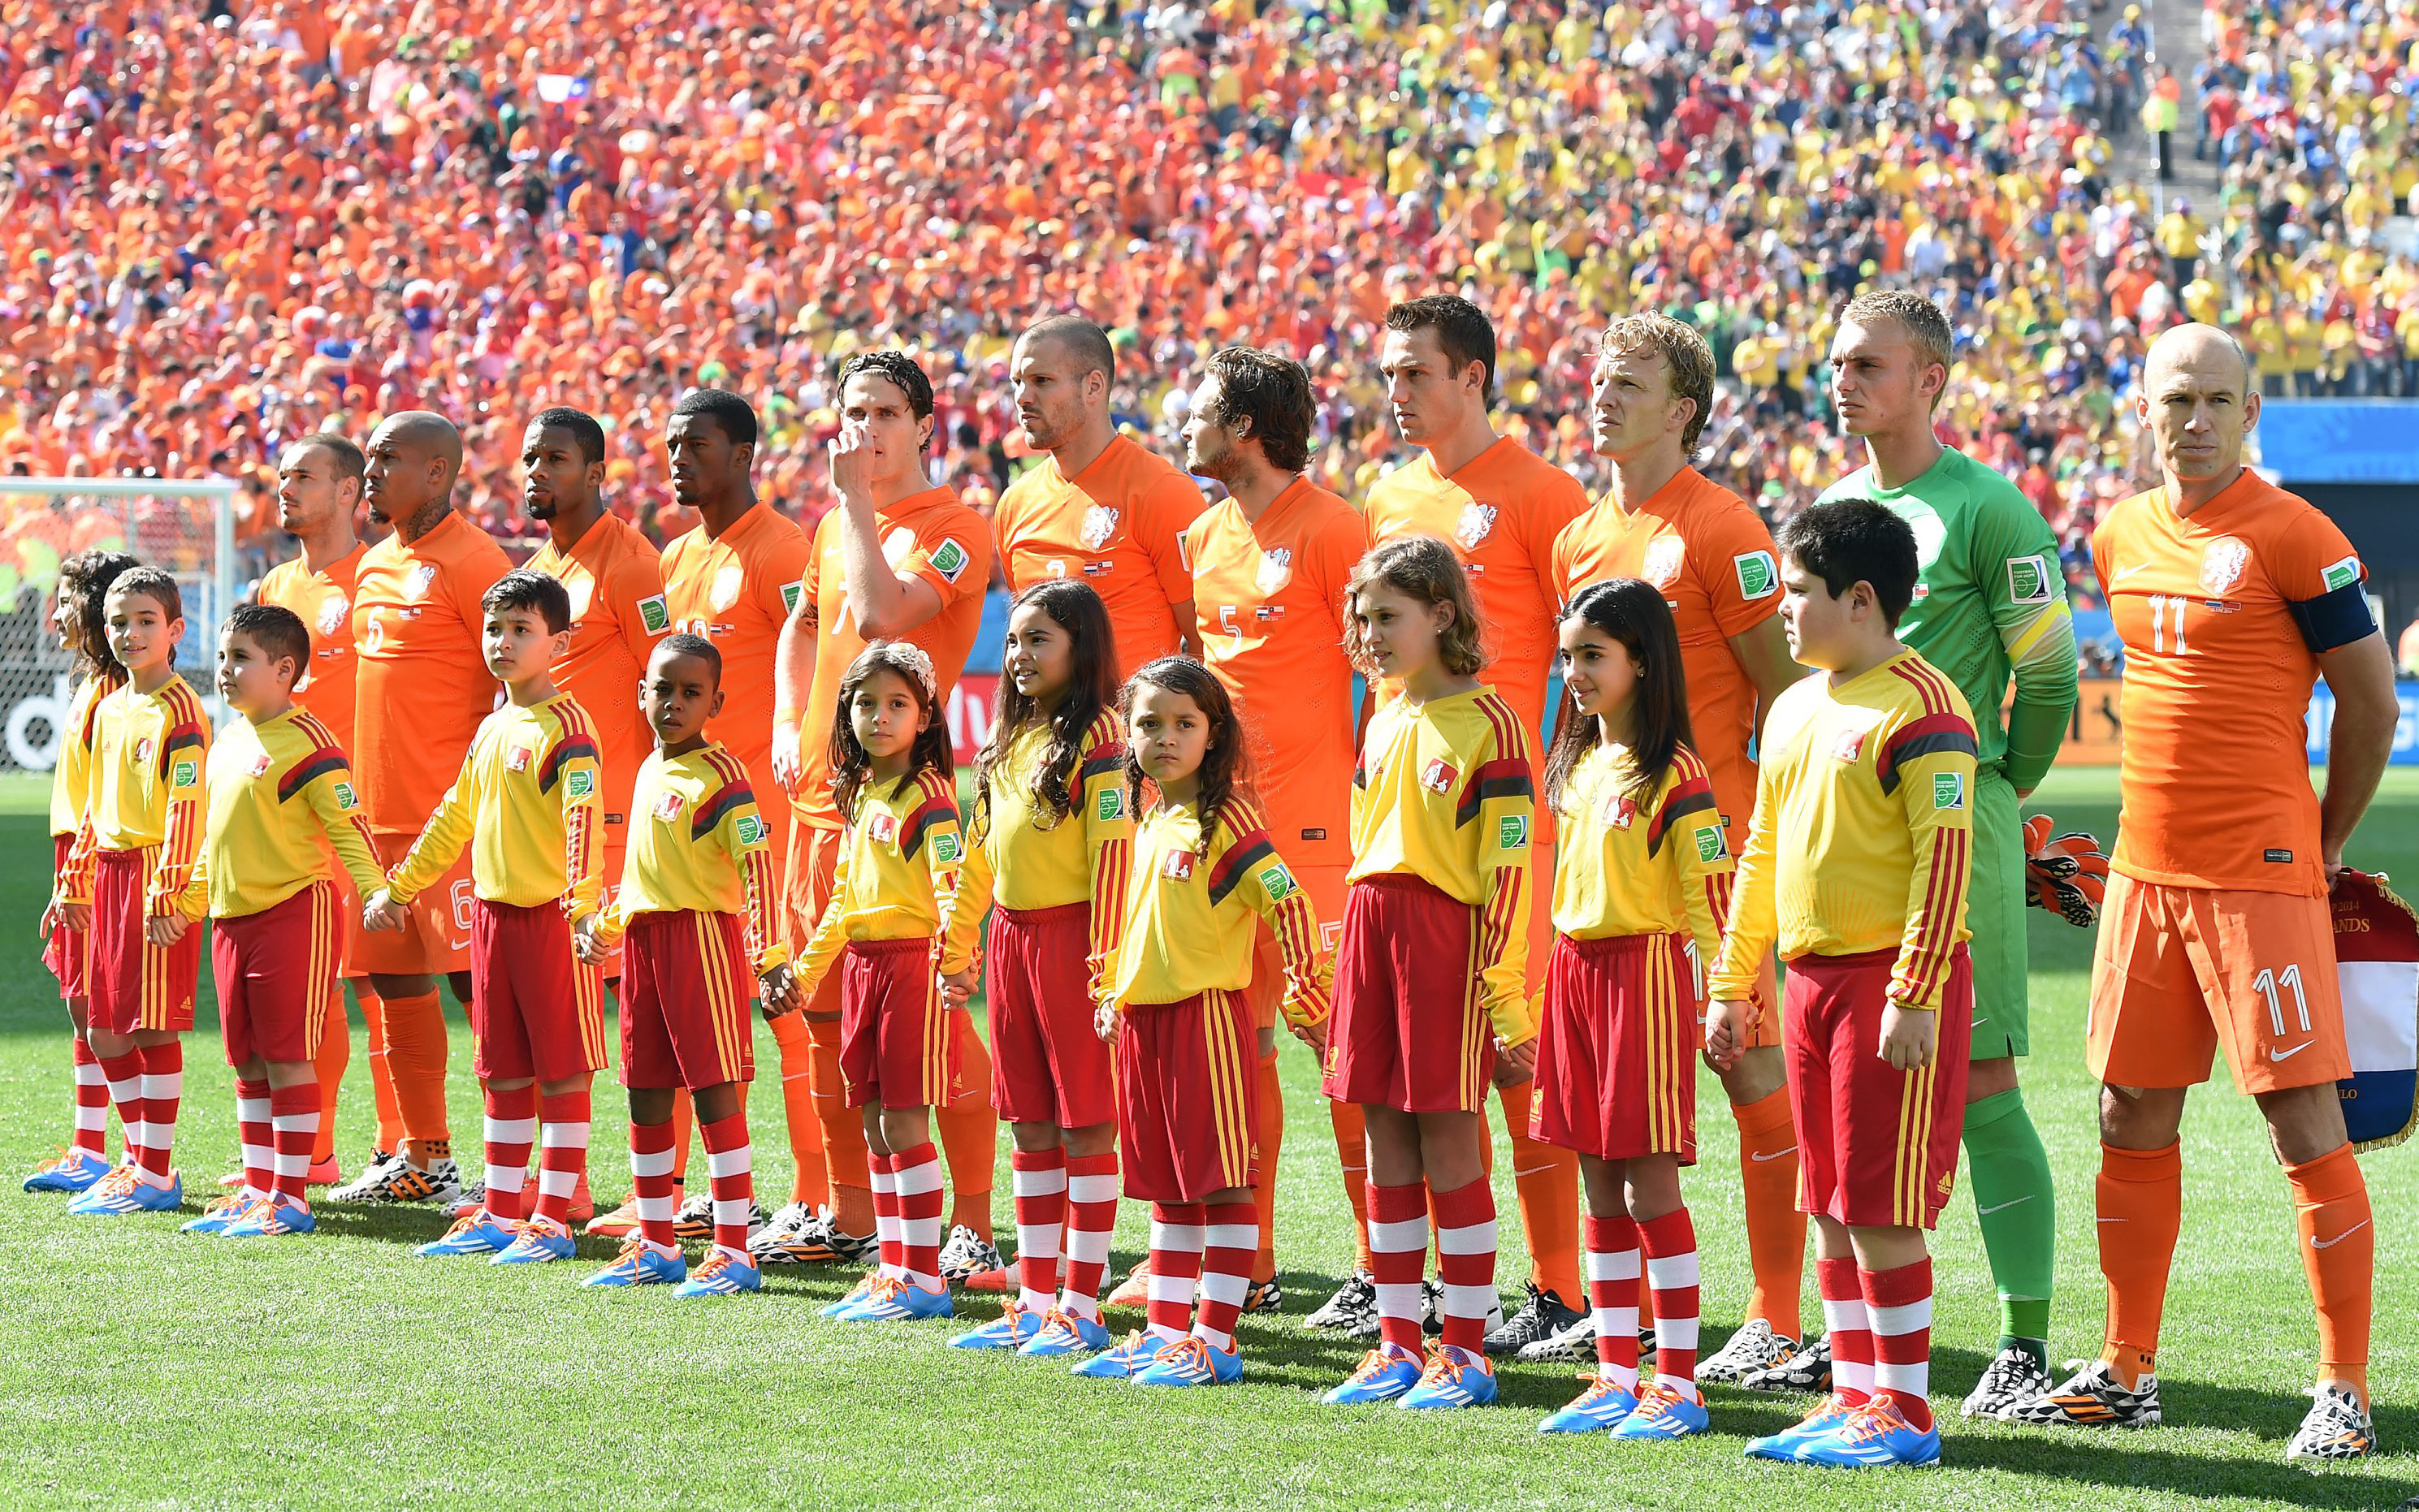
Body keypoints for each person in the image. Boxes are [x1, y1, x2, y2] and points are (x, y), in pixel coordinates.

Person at [2007, 324, 2396, 1464]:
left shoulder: (2297, 535)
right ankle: (2127, 1370)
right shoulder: (2117, 532)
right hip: (2143, 874)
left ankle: (2344, 1387)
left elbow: (2368, 705)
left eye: (2217, 400)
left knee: (2301, 1119)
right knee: (2127, 1108)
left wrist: (2317, 843)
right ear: (2139, 406)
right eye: (2174, 397)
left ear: (2251, 412)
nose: (2194, 419)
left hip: (2257, 879)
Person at [1815, 291, 2079, 1415]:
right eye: (1835, 362)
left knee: (1976, 1083)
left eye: (1866, 363)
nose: (1842, 379)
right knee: (1843, 1083)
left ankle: (2020, 1341)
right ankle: (1855, 1349)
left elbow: (2052, 673)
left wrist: (1995, 781)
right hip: (1845, 843)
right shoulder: (1831, 505)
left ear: (1928, 376)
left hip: (1945, 829)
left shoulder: (1990, 507)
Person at [1549, 315, 1807, 1381]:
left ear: (1683, 410)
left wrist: (1773, 838)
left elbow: (1784, 694)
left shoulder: (1722, 523)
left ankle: (1778, 1313)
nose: (1604, 396)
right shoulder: (1577, 537)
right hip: (1610, 856)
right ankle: (1634, 1318)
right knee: (1610, 1102)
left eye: (1631, 383)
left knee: (1749, 1068)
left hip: (1714, 848)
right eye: (1599, 378)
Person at [1713, 500, 1978, 1471]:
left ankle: (1903, 1414)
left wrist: (1913, 991)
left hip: (1884, 987)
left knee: (1881, 1205)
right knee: (1824, 1197)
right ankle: (1853, 1397)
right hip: (1806, 983)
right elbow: (1760, 851)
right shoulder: (1792, 704)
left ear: (1858, 599)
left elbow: (1940, 862)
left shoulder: (1924, 706)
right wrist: (1732, 975)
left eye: (1797, 591)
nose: (1782, 609)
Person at [1360, 295, 1589, 1356]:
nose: (1395, 391)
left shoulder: (1544, 494)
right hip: (1402, 825)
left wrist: (1577, 785)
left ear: (1473, 377)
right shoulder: (1388, 493)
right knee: (1407, 1088)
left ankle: (1559, 1288)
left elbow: (1596, 652)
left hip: (1496, 825)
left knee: (1513, 1060)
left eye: (1414, 373)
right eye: (1389, 373)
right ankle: (1435, 1302)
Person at [764, 354, 997, 1277]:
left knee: (937, 1029)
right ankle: (853, 1215)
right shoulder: (830, 524)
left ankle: (973, 1223)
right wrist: (788, 717)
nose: (867, 428)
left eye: (886, 413)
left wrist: (858, 503)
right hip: (823, 813)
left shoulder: (954, 527)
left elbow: (874, 620)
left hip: (905, 811)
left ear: (922, 426)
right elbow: (803, 622)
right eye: (853, 411)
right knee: (826, 1023)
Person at [1069, 656, 1331, 1388]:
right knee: (1169, 1187)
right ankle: (1163, 1333)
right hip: (1144, 1027)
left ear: (1214, 736)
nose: (1166, 737)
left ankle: (1215, 1340)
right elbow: (1134, 922)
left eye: (1185, 723)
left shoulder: (1228, 820)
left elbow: (1291, 905)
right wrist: (1110, 988)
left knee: (1221, 1184)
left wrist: (1309, 999)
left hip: (1206, 1023)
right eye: (1149, 723)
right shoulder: (1149, 817)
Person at [1320, 536, 1534, 1410]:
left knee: (1448, 1136)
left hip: (1445, 939)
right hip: (1373, 933)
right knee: (1383, 1138)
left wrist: (1501, 986)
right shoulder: (1380, 714)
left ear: (1441, 614)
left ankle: (1468, 1348)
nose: (1369, 634)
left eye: (1387, 616)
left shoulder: (1492, 722)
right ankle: (1397, 1342)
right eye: (1362, 619)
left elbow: (1508, 870)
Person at [1179, 346, 1370, 1316]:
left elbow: (1385, 672)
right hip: (1224, 837)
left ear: (1244, 427)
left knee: (1336, 1046)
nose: (1184, 420)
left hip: (1315, 832)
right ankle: (1244, 1261)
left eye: (1201, 407)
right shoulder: (1202, 535)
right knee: (1238, 1043)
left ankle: (1383, 1267)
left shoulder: (1337, 528)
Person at [1530, 580, 1736, 1441]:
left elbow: (1708, 890)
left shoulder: (1674, 770)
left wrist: (1725, 994)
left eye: (1593, 655)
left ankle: (1677, 1381)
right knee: (1595, 1178)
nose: (1574, 672)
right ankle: (1616, 1370)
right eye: (1568, 655)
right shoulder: (1574, 760)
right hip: (1570, 970)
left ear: (1642, 662)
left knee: (1648, 1178)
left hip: (1642, 974)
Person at [366, 570, 608, 1266]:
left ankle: (553, 1221)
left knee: (561, 1071)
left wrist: (583, 906)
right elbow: (452, 817)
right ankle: (501, 1213)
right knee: (501, 1070)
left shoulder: (570, 728)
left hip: (554, 922)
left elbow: (582, 825)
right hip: (495, 923)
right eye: (494, 629)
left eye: (521, 630)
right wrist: (401, 887)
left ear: (558, 642)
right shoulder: (494, 727)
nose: (502, 642)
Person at [938, 581, 1133, 1354]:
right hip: (1012, 945)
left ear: (1079, 648)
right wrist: (957, 948)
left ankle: (1081, 1304)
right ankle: (1034, 1297)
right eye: (1013, 641)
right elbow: (979, 858)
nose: (1017, 655)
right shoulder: (1005, 741)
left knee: (1084, 1123)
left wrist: (1107, 968)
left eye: (1037, 640)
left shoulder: (1103, 737)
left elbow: (1113, 860)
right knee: (1030, 1121)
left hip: (1076, 942)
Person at [576, 635, 801, 1298]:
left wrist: (769, 958)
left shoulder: (723, 776)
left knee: (713, 1091)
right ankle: (656, 1243)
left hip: (702, 942)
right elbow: (644, 875)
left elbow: (758, 869)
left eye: (689, 693)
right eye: (661, 689)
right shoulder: (648, 767)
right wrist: (607, 927)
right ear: (642, 693)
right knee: (645, 1090)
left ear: (715, 702)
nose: (672, 703)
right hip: (645, 945)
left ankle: (735, 1252)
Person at [159, 604, 385, 1238]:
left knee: (287, 1056)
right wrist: (189, 905)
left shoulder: (311, 742)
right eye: (225, 656)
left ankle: (289, 1197)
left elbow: (349, 827)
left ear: (284, 670)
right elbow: (212, 839)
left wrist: (374, 892)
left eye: (242, 659)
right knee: (247, 1059)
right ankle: (259, 1188)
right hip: (231, 922)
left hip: (293, 914)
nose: (226, 670)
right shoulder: (228, 738)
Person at [338, 411, 512, 1207]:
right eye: (370, 458)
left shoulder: (478, 562)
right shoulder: (373, 563)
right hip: (375, 826)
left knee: (484, 994)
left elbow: (518, 683)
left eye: (388, 459)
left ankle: (533, 1172)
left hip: (455, 825)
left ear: (438, 472)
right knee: (393, 985)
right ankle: (426, 1156)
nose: (371, 472)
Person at [658, 389, 817, 1239]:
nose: (679, 457)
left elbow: (817, 656)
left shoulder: (782, 547)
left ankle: (816, 1195)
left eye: (698, 443)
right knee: (693, 1000)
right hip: (690, 827)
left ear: (744, 453)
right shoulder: (676, 556)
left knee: (780, 999)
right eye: (672, 443)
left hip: (764, 820)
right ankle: (706, 1191)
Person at [519, 406, 673, 1238]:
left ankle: (652, 1185)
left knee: (629, 1004)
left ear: (596, 471)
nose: (539, 471)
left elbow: (668, 689)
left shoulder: (632, 561)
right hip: (546, 825)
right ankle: (559, 1174)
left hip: (611, 823)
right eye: (531, 458)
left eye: (558, 458)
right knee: (553, 1005)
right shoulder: (541, 568)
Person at [793, 643, 971, 1324]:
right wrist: (810, 970)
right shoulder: (863, 793)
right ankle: (892, 1270)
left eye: (898, 704)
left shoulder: (930, 797)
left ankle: (923, 1278)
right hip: (864, 970)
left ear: (925, 718)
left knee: (902, 1119)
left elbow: (953, 890)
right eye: (866, 703)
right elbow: (843, 898)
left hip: (912, 970)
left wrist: (957, 961)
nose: (880, 716)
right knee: (872, 1121)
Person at [50, 567, 210, 1216]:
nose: (130, 633)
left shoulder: (181, 707)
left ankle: (156, 1171)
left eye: (146, 621)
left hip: (152, 879)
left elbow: (186, 808)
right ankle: (139, 1161)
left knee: (148, 1027)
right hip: (108, 875)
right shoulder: (111, 706)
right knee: (105, 1026)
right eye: (119, 622)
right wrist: (74, 878)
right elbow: (93, 807)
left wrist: (169, 890)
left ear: (175, 630)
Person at [255, 434, 372, 1187]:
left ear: (351, 492)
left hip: (360, 808)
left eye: (306, 476)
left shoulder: (379, 579)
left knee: (373, 981)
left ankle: (407, 1148)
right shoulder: (274, 586)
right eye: (284, 475)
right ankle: (313, 1153)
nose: (287, 487)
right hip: (283, 819)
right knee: (310, 983)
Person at [994, 314, 1201, 677]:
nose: (1023, 397)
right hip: (1041, 732)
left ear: (1093, 386)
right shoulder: (1014, 504)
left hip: (1129, 730)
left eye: (1042, 381)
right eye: (1017, 382)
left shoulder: (1163, 492)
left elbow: (1203, 641)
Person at [23, 548, 137, 1196]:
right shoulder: (92, 681)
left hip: (99, 856)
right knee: (79, 1000)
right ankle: (90, 1148)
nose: (57, 611)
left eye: (68, 599)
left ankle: (137, 1154)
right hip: (72, 850)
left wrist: (81, 873)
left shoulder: (125, 688)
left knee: (106, 1008)